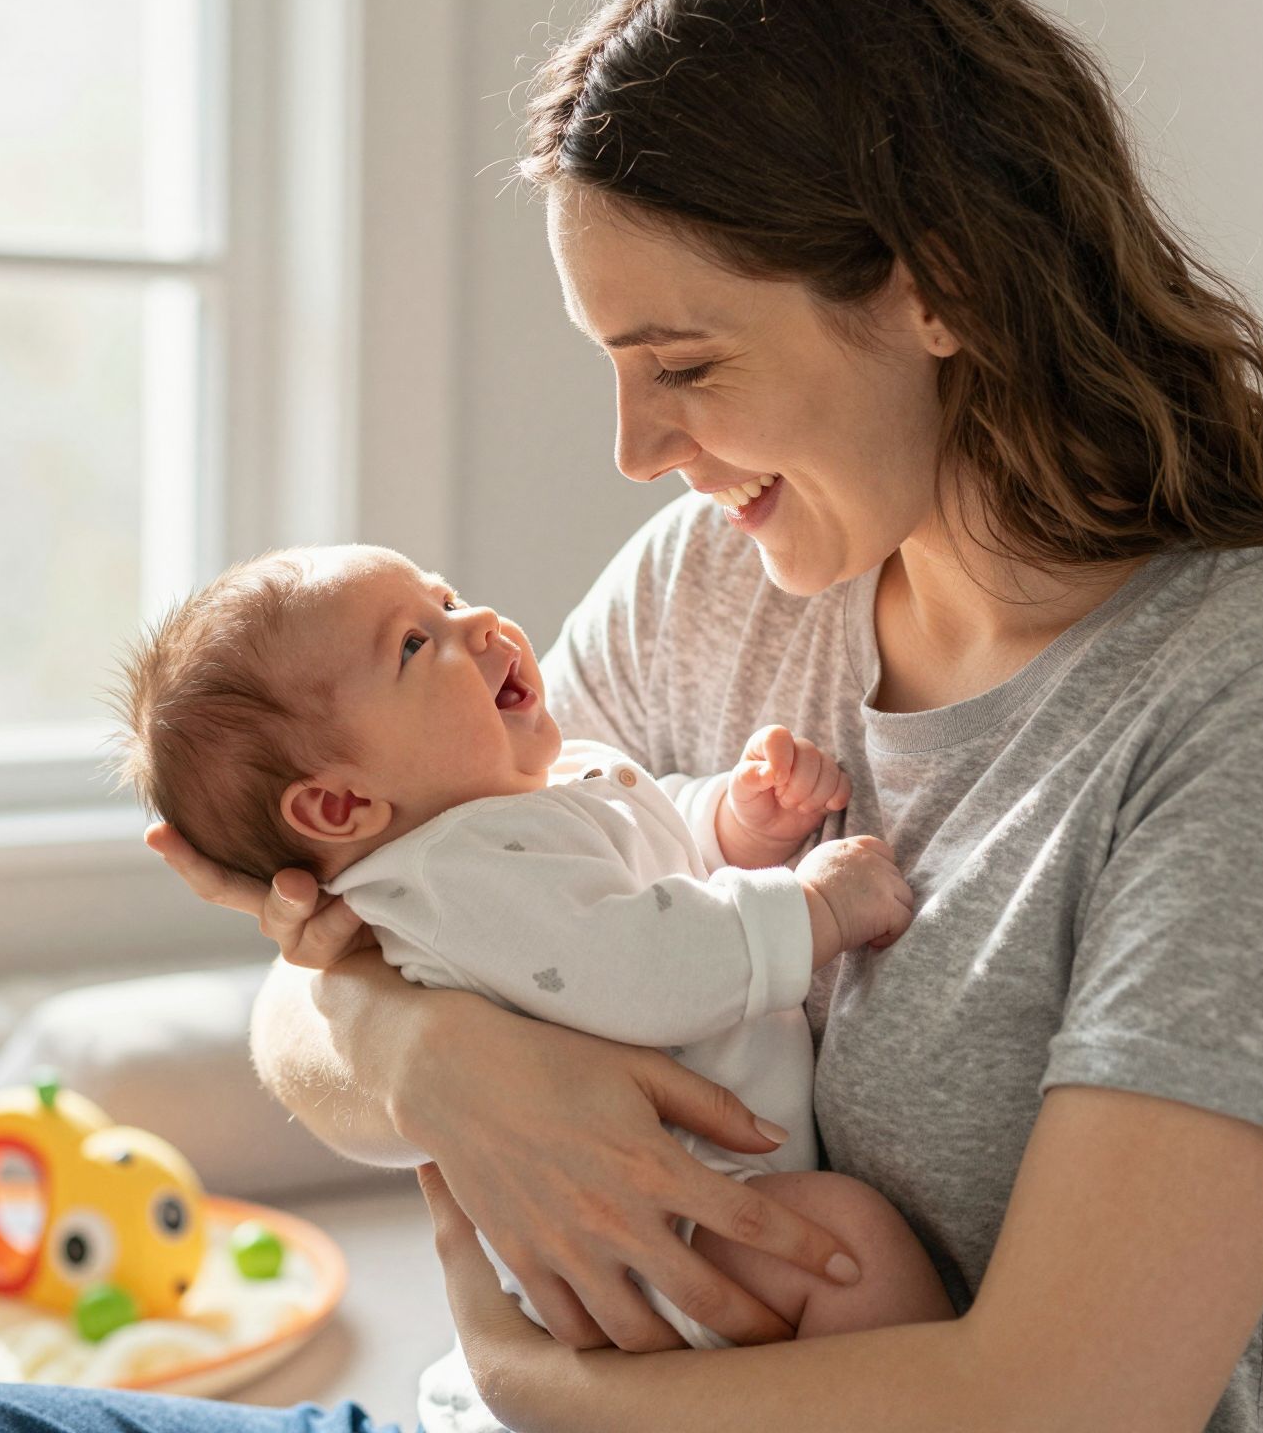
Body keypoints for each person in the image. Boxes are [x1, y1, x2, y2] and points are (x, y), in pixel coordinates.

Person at [0, 0, 1263, 1429]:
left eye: (680, 362)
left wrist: (533, 1380)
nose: (635, 448)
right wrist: (443, 1067)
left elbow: (1064, 1398)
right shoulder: (720, 584)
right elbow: (347, 981)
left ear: (933, 284)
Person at [104, 542, 946, 1349]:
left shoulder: (514, 800)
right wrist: (814, 908)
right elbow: (642, 966)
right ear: (339, 808)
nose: (478, 624)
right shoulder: (456, 877)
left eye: (446, 597)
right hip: (661, 1236)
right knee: (852, 1254)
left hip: (698, 1202)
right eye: (411, 644)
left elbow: (639, 853)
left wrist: (732, 820)